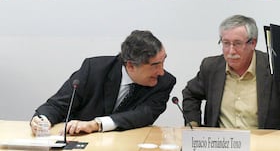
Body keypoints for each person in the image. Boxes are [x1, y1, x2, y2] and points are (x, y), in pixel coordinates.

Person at [30, 30, 176, 136]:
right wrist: (42, 119)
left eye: (163, 62)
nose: (161, 71)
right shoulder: (94, 69)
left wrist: (96, 124)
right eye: (155, 65)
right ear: (130, 65)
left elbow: (143, 115)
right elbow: (57, 105)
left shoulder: (164, 82)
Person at [182, 15, 280, 130]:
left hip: (263, 144)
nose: (231, 51)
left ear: (253, 43)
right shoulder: (211, 67)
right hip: (221, 143)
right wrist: (193, 124)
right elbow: (191, 94)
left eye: (237, 43)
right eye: (226, 43)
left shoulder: (273, 67)